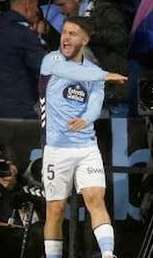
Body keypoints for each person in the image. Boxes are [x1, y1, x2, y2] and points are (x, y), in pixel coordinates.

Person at [39, 16, 128, 258]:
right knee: (55, 210)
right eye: (64, 33)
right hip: (57, 149)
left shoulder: (94, 72)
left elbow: (95, 105)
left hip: (87, 147)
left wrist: (86, 120)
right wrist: (104, 75)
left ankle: (108, 254)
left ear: (85, 40)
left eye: (72, 34)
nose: (65, 38)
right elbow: (68, 71)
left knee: (95, 199)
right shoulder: (51, 61)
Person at [53, 0, 130, 113]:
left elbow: (120, 37)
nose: (61, 11)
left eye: (63, 4)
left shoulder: (105, 10)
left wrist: (89, 33)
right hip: (85, 96)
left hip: (112, 94)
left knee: (116, 125)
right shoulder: (73, 21)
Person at [0, 0, 46, 119]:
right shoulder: (25, 34)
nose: (36, 10)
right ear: (28, 5)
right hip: (23, 111)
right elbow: (42, 68)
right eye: (36, 6)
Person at [0, 151, 45, 258]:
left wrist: (15, 186)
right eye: (0, 166)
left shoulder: (30, 177)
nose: (5, 169)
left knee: (41, 229)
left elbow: (44, 208)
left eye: (9, 164)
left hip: (25, 235)